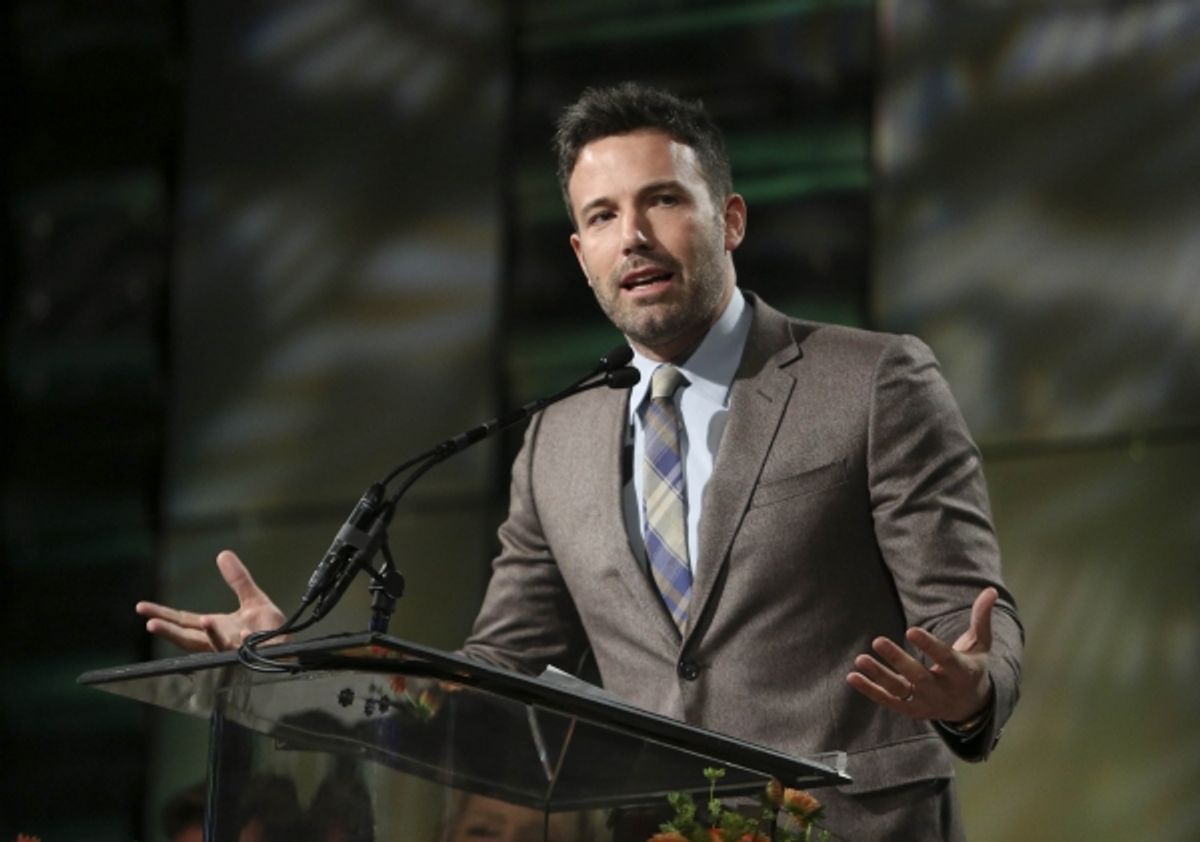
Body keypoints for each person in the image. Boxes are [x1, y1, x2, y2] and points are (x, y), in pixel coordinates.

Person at [137, 82, 1023, 840]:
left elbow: (968, 616)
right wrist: (298, 665)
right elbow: (493, 677)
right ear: (580, 254)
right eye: (602, 216)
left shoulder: (871, 381)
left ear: (731, 219)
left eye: (662, 201)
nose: (632, 235)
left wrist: (971, 690)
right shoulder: (555, 440)